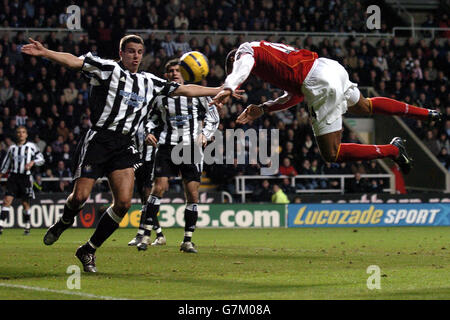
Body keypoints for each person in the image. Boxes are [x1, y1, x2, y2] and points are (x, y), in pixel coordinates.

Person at [21, 35, 226, 272]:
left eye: (139, 52)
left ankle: (88, 249)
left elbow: (185, 89)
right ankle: (65, 220)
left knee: (124, 203)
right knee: (79, 198)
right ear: (121, 53)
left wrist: (219, 89)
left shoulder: (150, 81)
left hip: (124, 145)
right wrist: (46, 52)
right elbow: (75, 62)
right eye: (130, 51)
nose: (135, 56)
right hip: (99, 140)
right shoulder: (108, 69)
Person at [211, 41, 443, 174]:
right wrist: (264, 108)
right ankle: (427, 113)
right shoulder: (271, 54)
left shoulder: (246, 51)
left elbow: (243, 65)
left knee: (332, 153)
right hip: (329, 67)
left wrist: (230, 85)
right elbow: (296, 96)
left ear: (234, 60)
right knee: (364, 106)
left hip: (319, 83)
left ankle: (393, 150)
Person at [136, 59, 220, 253]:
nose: (174, 73)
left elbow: (213, 116)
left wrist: (205, 134)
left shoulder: (197, 93)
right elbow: (151, 118)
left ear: (184, 73)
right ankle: (146, 235)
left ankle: (187, 241)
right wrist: (148, 131)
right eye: (170, 71)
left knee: (192, 194)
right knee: (159, 188)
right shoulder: (161, 96)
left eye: (177, 70)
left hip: (190, 146)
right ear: (166, 75)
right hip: (166, 145)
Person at [127, 120, 166, 248]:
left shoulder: (154, 121)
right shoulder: (134, 119)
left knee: (147, 195)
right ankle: (159, 235)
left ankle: (141, 234)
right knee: (144, 199)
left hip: (151, 161)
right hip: (138, 160)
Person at [0, 126, 45, 235]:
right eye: (19, 132)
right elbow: (5, 165)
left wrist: (32, 163)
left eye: (23, 132)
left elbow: (41, 159)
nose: (21, 134)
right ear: (16, 134)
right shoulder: (12, 148)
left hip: (25, 178)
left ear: (26, 135)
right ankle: (0, 225)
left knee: (25, 203)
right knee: (7, 201)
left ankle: (27, 226)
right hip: (13, 177)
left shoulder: (31, 147)